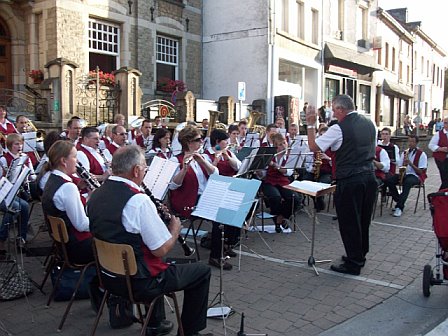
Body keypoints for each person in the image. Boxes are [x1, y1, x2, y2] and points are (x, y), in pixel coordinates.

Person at [88, 145, 212, 336]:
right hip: (138, 283)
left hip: (107, 277)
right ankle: (189, 332)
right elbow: (160, 249)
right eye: (145, 167)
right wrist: (174, 229)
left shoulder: (95, 194)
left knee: (150, 258)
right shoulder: (138, 201)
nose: (146, 171)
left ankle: (155, 324)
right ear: (136, 170)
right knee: (201, 271)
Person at [306, 94, 377, 276]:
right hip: (369, 177)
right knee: (363, 219)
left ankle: (354, 263)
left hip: (350, 179)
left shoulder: (339, 128)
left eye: (334, 110)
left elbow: (314, 147)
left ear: (340, 109)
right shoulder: (370, 123)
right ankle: (359, 254)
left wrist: (311, 124)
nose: (333, 113)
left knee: (349, 222)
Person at [41, 140, 93, 264]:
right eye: (74, 157)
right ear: (64, 161)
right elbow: (81, 225)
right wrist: (103, 222)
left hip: (64, 245)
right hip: (78, 248)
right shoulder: (68, 187)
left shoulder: (52, 179)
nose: (78, 162)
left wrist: (89, 198)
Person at [204, 129, 242, 270]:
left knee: (239, 209)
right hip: (214, 192)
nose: (228, 142)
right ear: (217, 142)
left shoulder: (228, 152)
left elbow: (238, 166)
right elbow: (210, 174)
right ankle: (215, 256)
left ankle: (227, 244)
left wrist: (227, 156)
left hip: (229, 189)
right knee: (220, 218)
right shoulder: (206, 155)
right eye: (225, 141)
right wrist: (216, 160)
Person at [169, 125, 218, 218]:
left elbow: (215, 175)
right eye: (198, 139)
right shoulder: (175, 160)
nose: (201, 141)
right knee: (220, 211)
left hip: (205, 198)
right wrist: (184, 170)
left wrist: (203, 162)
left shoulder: (204, 157)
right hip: (188, 201)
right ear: (188, 142)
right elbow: (172, 186)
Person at [257, 133, 302, 233]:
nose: (284, 146)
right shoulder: (270, 156)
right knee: (275, 197)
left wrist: (274, 165)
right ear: (275, 147)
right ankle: (277, 218)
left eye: (284, 143)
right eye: (280, 144)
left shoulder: (290, 157)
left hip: (283, 181)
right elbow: (262, 174)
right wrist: (259, 170)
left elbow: (288, 172)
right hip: (269, 181)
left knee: (295, 199)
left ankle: (281, 217)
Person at [385, 135, 427, 217]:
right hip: (405, 174)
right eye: (409, 141)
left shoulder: (422, 154)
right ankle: (399, 200)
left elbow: (421, 171)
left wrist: (410, 164)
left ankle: (399, 207)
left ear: (416, 143)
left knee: (407, 182)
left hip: (416, 176)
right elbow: (400, 166)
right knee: (389, 180)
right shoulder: (405, 152)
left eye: (412, 142)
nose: (410, 143)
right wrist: (403, 168)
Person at [303, 127, 333, 211]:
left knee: (320, 184)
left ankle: (320, 202)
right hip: (315, 171)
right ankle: (315, 199)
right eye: (321, 135)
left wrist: (328, 158)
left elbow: (336, 165)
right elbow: (307, 162)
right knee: (305, 181)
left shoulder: (333, 148)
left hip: (328, 172)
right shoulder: (315, 147)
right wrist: (311, 169)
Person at [429, 117, 448, 190]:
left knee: (446, 180)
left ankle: (439, 197)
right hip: (440, 159)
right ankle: (438, 197)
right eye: (445, 123)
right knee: (445, 178)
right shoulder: (438, 134)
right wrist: (440, 149)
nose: (447, 125)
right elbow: (431, 145)